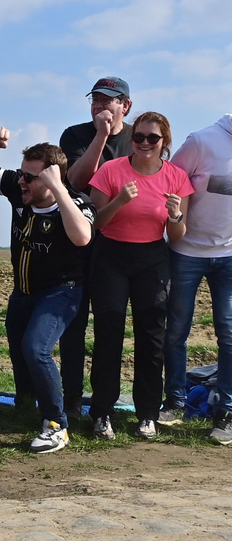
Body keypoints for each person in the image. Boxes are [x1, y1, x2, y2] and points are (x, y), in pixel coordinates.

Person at [0, 128, 95, 454]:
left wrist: (59, 190)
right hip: (22, 292)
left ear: (52, 179)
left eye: (31, 177)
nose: (22, 181)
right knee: (19, 348)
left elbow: (82, 237)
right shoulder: (19, 190)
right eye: (21, 173)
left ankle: (57, 425)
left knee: (36, 348)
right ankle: (26, 406)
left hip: (61, 293)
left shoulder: (75, 203)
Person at [88, 112, 193, 440]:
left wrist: (175, 215)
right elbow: (97, 223)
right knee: (109, 335)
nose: (145, 143)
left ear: (165, 142)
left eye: (153, 138)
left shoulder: (176, 177)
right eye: (139, 137)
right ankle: (102, 412)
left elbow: (177, 236)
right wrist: (120, 200)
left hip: (152, 258)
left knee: (151, 338)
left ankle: (147, 413)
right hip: (111, 258)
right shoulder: (111, 170)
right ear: (131, 139)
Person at [58, 77, 133, 418]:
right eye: (96, 101)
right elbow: (76, 180)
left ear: (125, 106)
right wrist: (101, 137)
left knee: (109, 324)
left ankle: (103, 403)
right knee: (73, 322)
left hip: (117, 245)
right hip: (77, 241)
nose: (100, 107)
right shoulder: (74, 135)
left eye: (109, 101)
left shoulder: (139, 138)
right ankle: (71, 397)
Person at [163, 115, 232, 443]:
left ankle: (226, 412)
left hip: (230, 256)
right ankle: (175, 403)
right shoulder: (202, 142)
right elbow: (169, 181)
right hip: (187, 252)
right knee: (177, 330)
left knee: (229, 333)